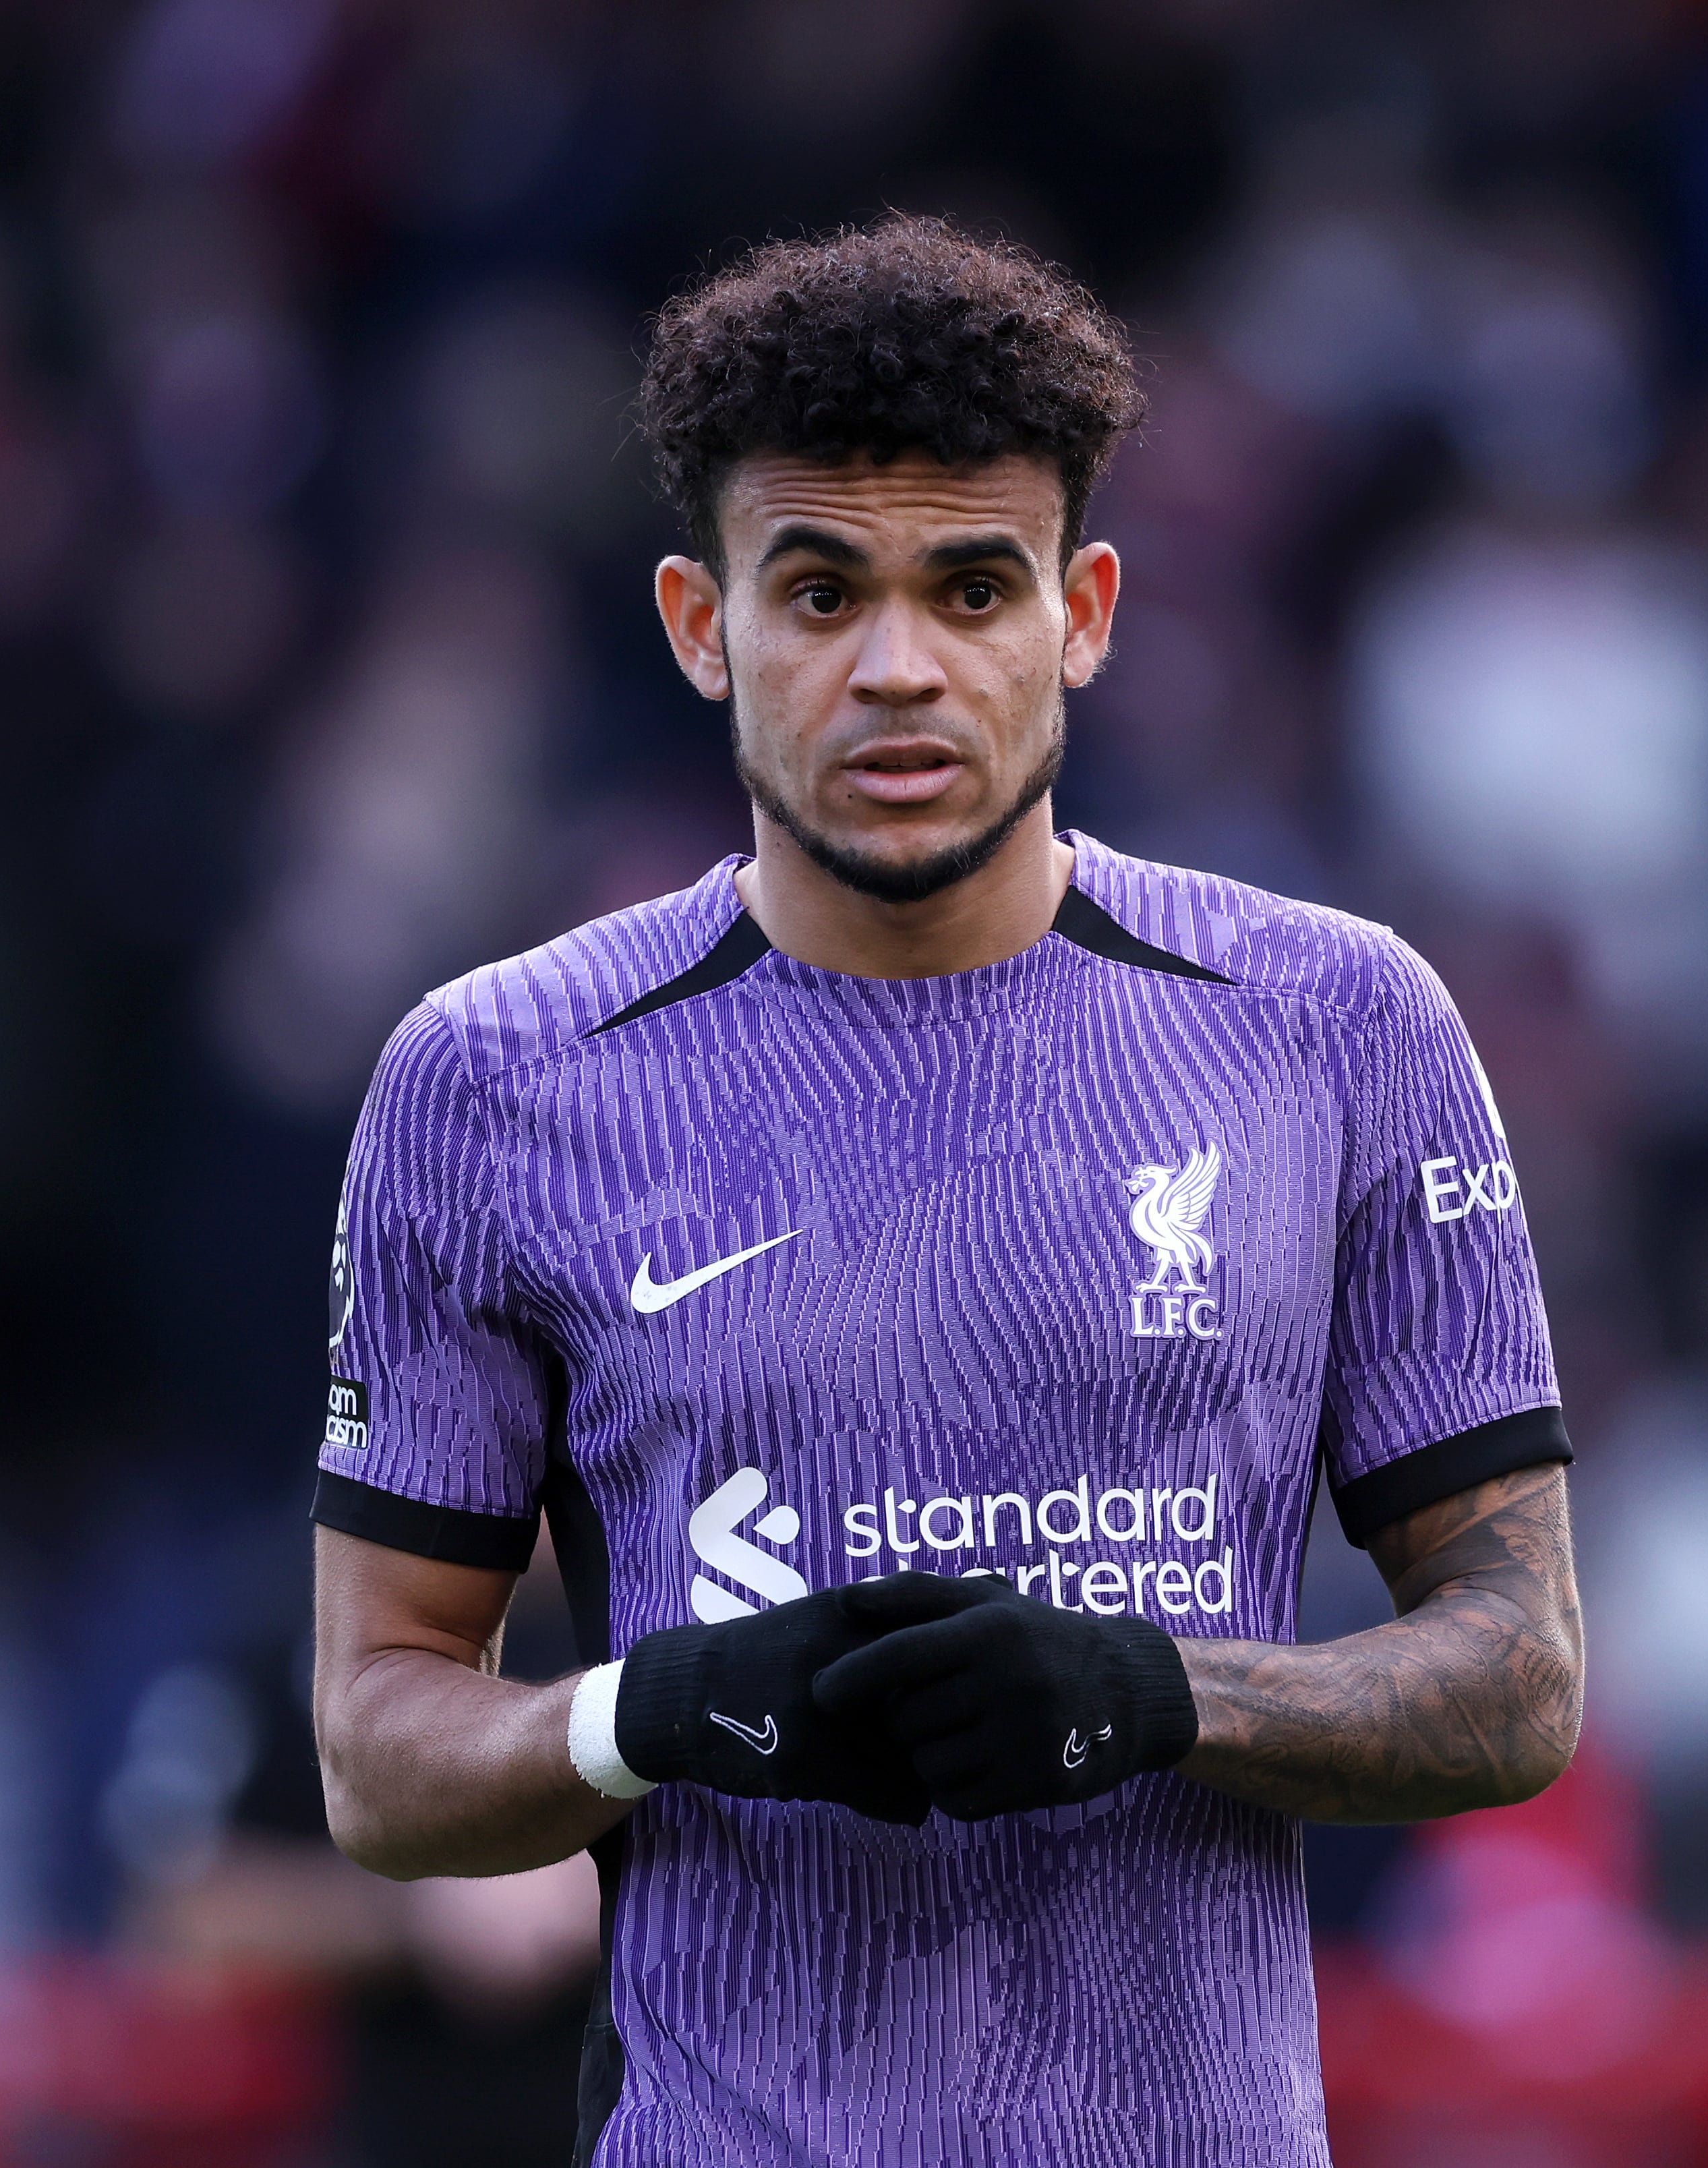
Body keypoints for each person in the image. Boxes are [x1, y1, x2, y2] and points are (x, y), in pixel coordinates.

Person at [307, 215, 1583, 2165]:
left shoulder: (1339, 1026)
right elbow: (378, 1752)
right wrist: (651, 1712)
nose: (897, 667)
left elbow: (1523, 1674)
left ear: (1081, 610)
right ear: (697, 621)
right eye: (818, 590)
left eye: (969, 588)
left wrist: (1162, 1696)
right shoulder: (491, 1081)